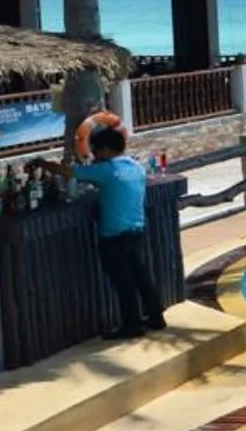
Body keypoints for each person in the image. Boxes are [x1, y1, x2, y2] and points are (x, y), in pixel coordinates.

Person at [34, 125, 164, 339]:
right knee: (140, 276)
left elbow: (68, 172)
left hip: (113, 235)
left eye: (95, 149)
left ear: (105, 149)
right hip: (136, 230)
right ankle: (156, 316)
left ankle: (132, 325)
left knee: (123, 281)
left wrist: (41, 163)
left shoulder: (107, 170)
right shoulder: (135, 166)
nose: (94, 153)